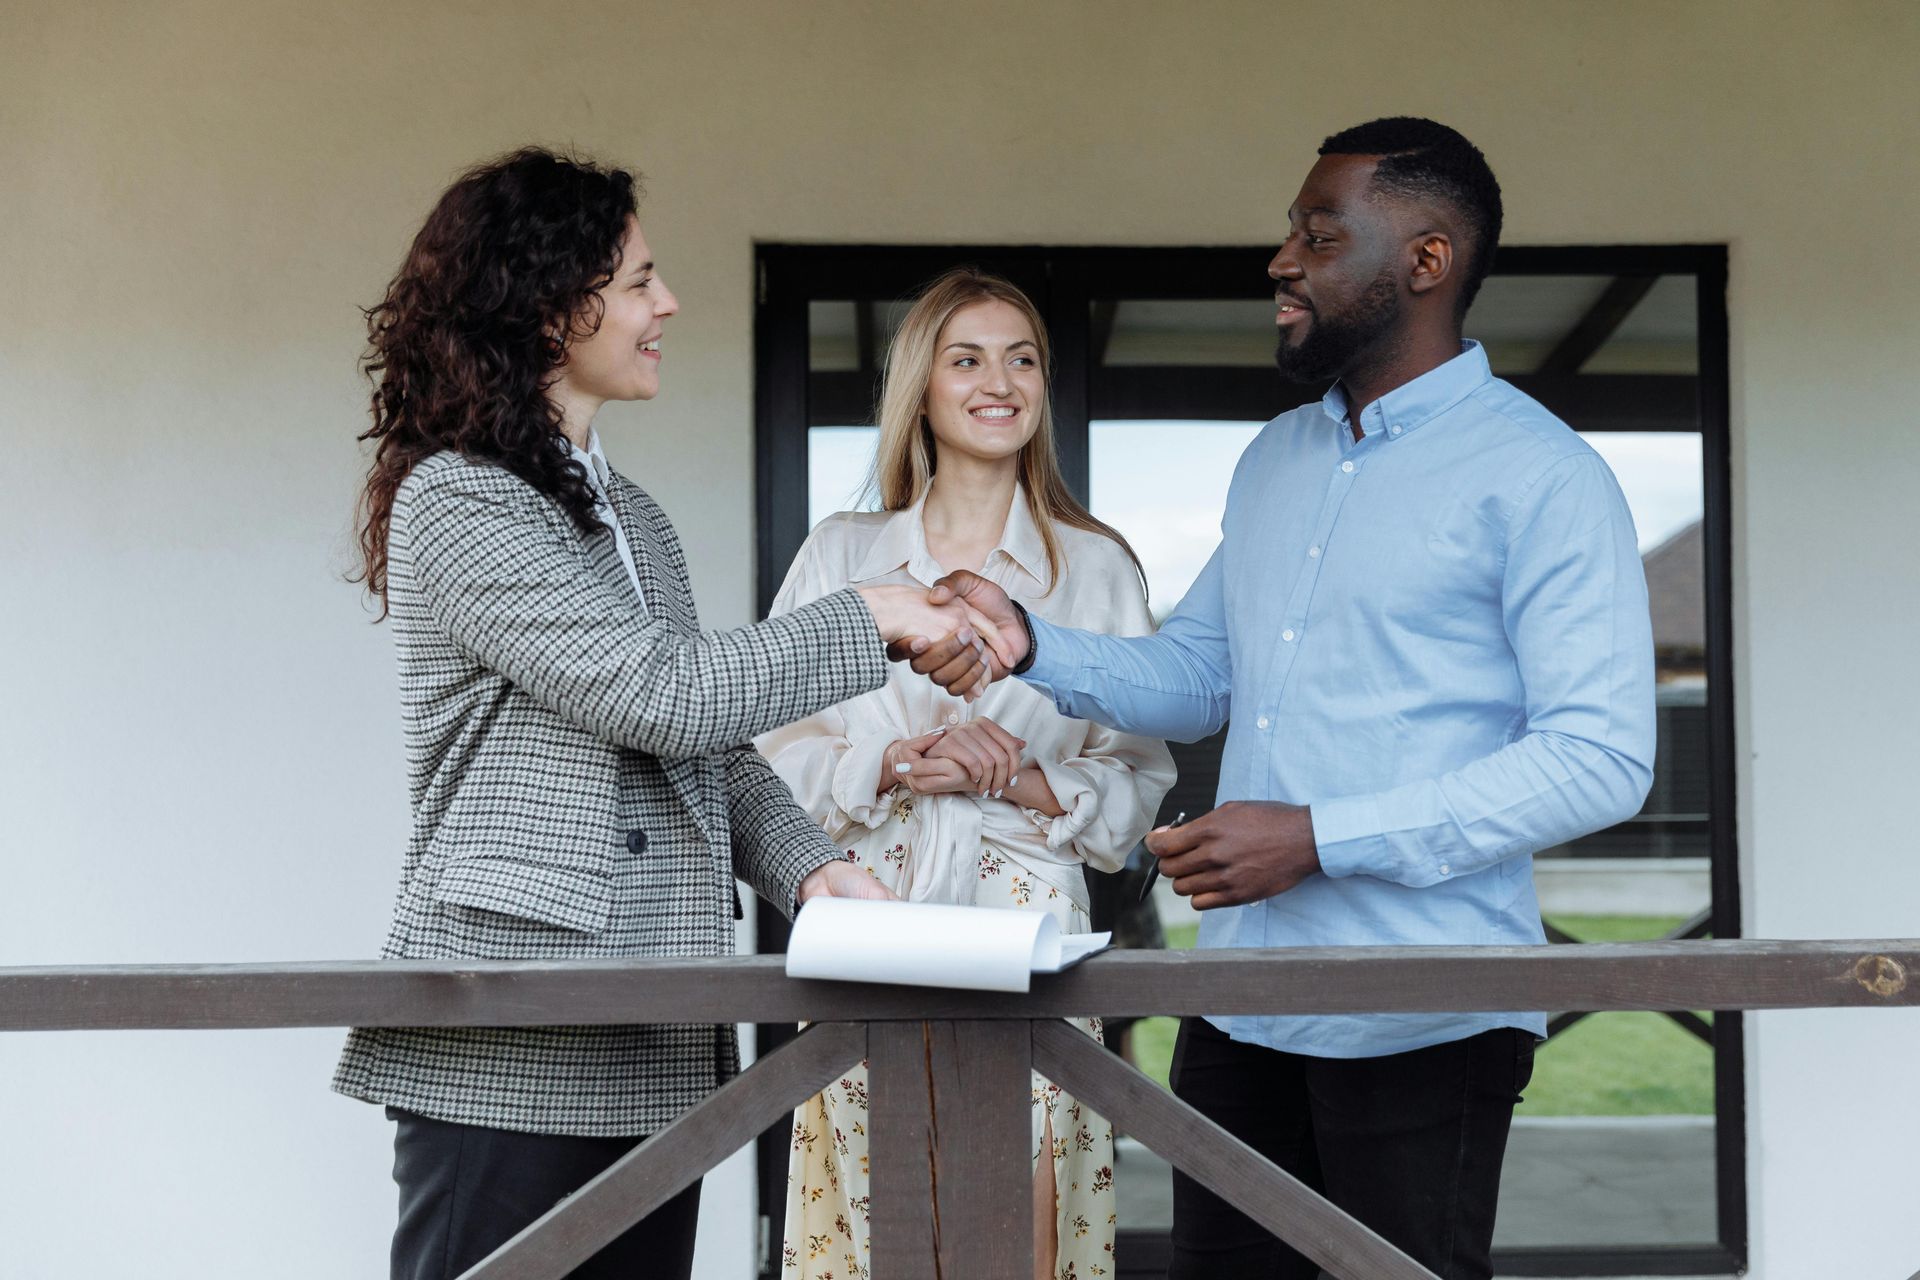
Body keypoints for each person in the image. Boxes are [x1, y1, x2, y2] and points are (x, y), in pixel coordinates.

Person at [903, 119, 1656, 1279]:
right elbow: (1199, 674)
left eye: (1317, 233)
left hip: (1428, 1019)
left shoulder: (1544, 476)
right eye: (1288, 232)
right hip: (1239, 1006)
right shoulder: (1276, 461)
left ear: (1426, 259)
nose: (1281, 261)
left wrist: (1318, 838)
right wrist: (1026, 641)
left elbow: (1603, 755)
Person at [328, 149, 1008, 1280]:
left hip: (658, 1030)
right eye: (640, 279)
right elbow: (659, 688)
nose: (668, 304)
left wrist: (808, 867)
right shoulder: (459, 497)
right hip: (517, 1027)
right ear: (551, 307)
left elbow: (700, 741)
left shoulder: (632, 513)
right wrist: (870, 614)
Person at [758, 268, 1175, 1280]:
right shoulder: (842, 554)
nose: (1001, 380)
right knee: (877, 1223)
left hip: (1028, 924)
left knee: (1015, 1234)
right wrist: (892, 759)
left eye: (1022, 357)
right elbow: (763, 758)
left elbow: (1142, 779)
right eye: (968, 357)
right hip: (870, 913)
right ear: (924, 388)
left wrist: (1025, 779)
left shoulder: (1097, 565)